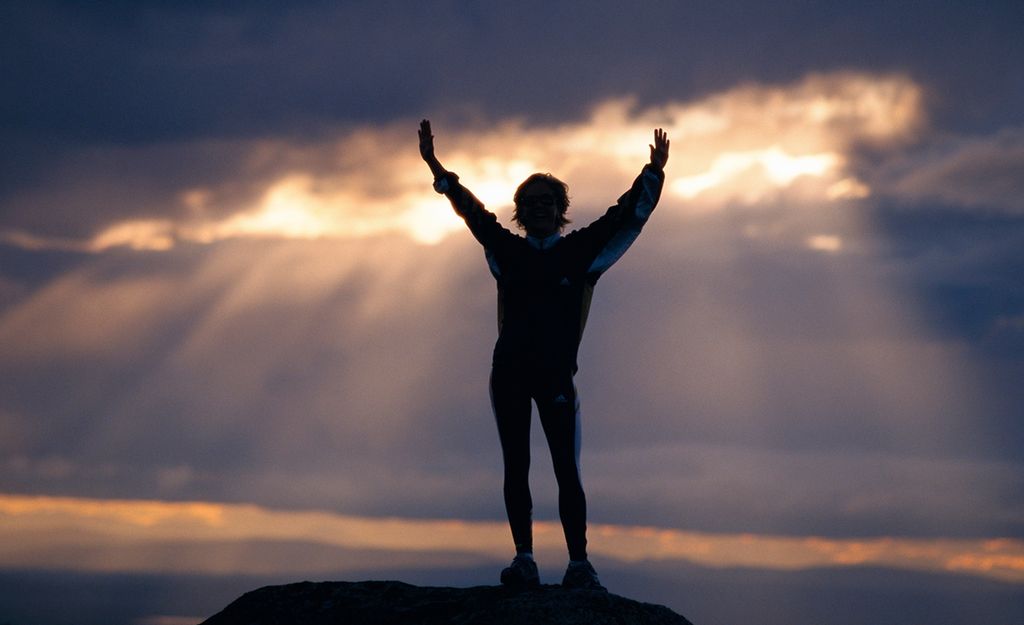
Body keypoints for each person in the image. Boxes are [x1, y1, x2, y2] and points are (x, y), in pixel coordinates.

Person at [419, 119, 669, 590]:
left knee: (565, 470)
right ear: (519, 212)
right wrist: (437, 169)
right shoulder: (506, 252)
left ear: (561, 211)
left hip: (556, 379)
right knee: (516, 466)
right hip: (508, 375)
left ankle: (579, 565)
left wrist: (652, 173)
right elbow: (473, 213)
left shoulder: (581, 254)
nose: (538, 210)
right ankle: (525, 560)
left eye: (547, 203)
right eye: (530, 204)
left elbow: (625, 215)